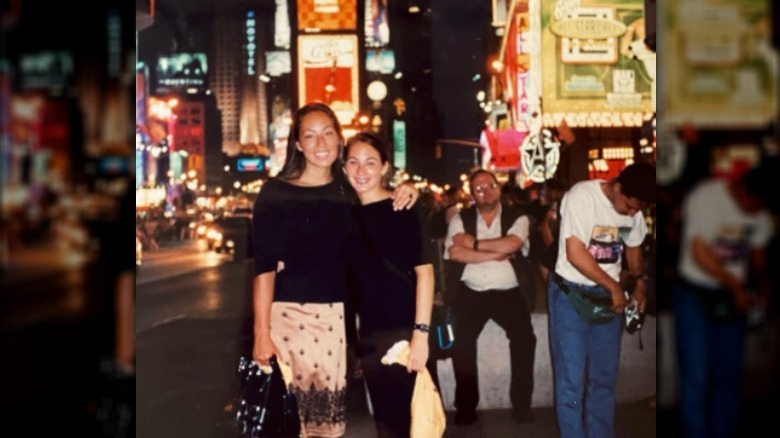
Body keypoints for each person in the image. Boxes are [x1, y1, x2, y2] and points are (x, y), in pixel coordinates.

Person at [250, 102, 417, 437]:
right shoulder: (275, 192)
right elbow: (264, 268)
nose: (321, 143)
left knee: (326, 427)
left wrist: (408, 190)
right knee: (285, 424)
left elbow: (382, 212)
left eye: (328, 133)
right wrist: (261, 333)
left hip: (334, 324)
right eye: (309, 136)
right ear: (297, 143)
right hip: (285, 320)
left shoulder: (349, 193)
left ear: (340, 139)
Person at [548, 161, 655, 438]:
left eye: (636, 211)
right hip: (571, 293)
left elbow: (633, 246)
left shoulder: (634, 210)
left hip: (609, 298)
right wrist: (614, 287)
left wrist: (640, 284)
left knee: (603, 380)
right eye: (628, 206)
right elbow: (575, 252)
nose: (631, 213)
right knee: (571, 380)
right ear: (617, 187)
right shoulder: (581, 198)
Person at [342, 131, 436, 437]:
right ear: (343, 168)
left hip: (406, 331)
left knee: (420, 421)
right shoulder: (345, 217)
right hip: (370, 335)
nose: (361, 171)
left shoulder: (405, 209)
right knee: (386, 423)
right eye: (353, 162)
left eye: (370, 163)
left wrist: (420, 336)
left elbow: (425, 273)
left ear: (384, 167)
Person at [674, 161, 776, 438]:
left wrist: (762, 289)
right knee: (697, 378)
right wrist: (736, 286)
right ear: (742, 190)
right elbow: (699, 252)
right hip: (696, 293)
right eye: (751, 206)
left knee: (728, 377)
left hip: (733, 298)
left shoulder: (760, 210)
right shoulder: (706, 198)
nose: (754, 213)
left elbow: (757, 253)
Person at [444, 169, 537, 426]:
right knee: (461, 342)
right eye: (478, 188)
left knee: (525, 340)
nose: (484, 191)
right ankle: (465, 407)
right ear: (472, 194)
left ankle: (521, 405)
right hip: (469, 291)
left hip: (509, 292)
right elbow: (455, 254)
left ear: (498, 188)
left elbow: (513, 245)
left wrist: (473, 244)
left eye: (488, 185)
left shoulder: (518, 216)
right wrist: (494, 253)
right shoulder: (460, 218)